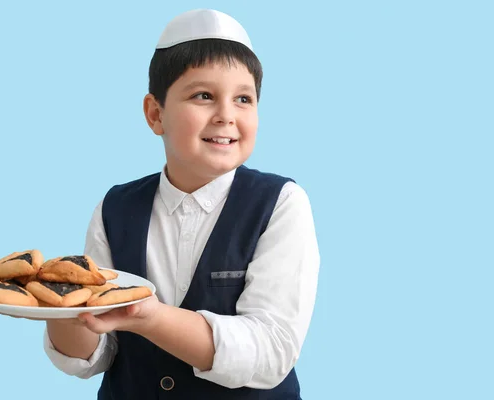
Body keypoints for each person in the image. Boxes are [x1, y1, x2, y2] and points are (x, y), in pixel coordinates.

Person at [43, 9, 320, 400]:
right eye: (203, 96)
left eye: (244, 98)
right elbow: (94, 355)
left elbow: (271, 349)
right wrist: (58, 309)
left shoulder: (280, 204)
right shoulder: (114, 207)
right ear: (156, 114)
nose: (226, 115)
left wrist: (150, 317)